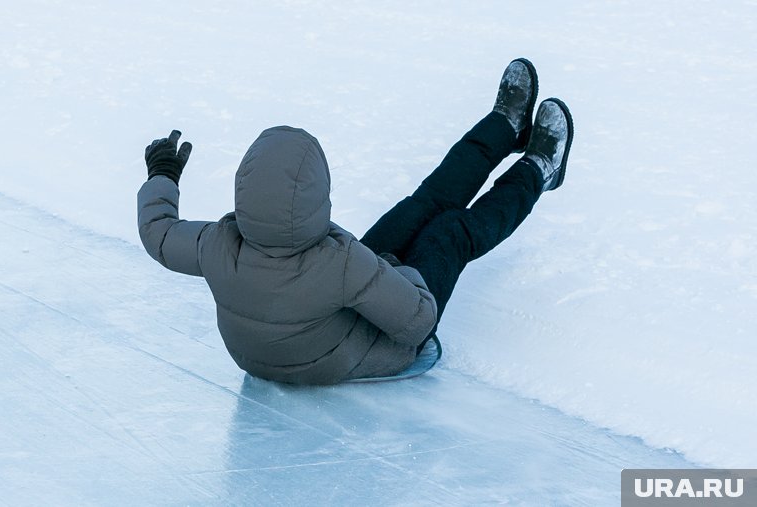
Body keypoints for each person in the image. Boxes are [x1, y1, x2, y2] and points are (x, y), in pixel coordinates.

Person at [137, 58, 573, 385]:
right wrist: (396, 270)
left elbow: (159, 235)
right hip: (372, 349)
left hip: (277, 346)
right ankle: (538, 170)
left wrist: (163, 174)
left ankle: (503, 126)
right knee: (448, 231)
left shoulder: (217, 243)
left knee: (421, 205)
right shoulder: (341, 264)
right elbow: (419, 320)